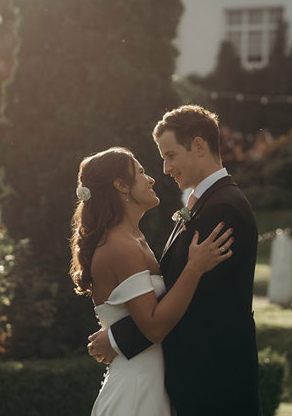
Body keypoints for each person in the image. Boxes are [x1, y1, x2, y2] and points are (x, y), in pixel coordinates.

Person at [87, 106, 261, 415]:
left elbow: (189, 298)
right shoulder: (207, 204)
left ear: (197, 146)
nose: (165, 170)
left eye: (170, 156)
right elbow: (175, 288)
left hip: (215, 383)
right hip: (196, 381)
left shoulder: (223, 209)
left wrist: (117, 338)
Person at [70, 147, 234, 416]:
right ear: (121, 186)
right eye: (141, 172)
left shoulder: (135, 240)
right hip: (136, 390)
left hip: (152, 383)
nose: (151, 179)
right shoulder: (119, 247)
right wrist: (195, 267)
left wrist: (113, 338)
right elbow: (155, 327)